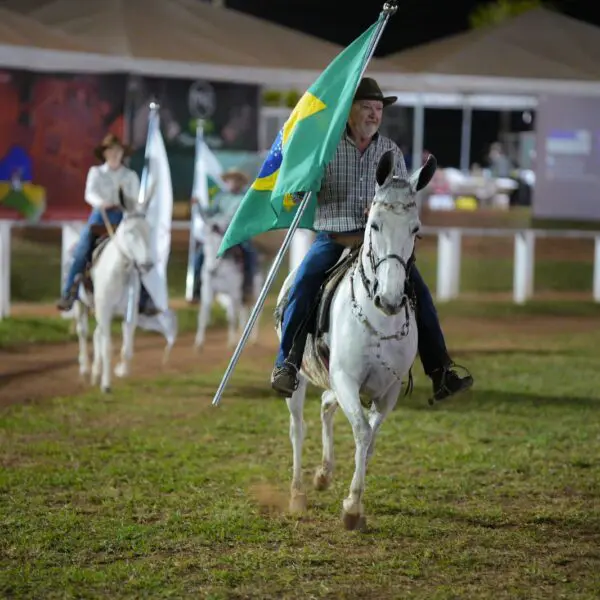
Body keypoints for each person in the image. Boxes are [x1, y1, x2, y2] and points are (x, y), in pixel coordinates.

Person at [271, 77, 473, 403]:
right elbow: (298, 186)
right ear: (349, 111)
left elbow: (403, 198)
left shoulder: (390, 151)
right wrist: (298, 186)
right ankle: (288, 364)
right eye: (366, 107)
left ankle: (441, 372)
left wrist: (384, 211)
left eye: (378, 108)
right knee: (305, 283)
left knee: (420, 294)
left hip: (379, 245)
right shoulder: (327, 148)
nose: (374, 114)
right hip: (335, 238)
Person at [56, 133, 157, 315]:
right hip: (100, 217)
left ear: (122, 153)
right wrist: (102, 202)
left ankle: (144, 299)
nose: (114, 154)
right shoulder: (96, 172)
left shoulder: (130, 176)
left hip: (124, 218)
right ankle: (69, 292)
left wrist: (128, 203)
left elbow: (134, 200)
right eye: (111, 151)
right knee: (82, 249)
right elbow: (90, 194)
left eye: (117, 151)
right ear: (105, 153)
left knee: (139, 251)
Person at [192, 168, 258, 304]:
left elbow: (241, 217)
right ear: (227, 181)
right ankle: (197, 289)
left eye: (236, 180)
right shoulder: (220, 197)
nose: (233, 182)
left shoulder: (245, 198)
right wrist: (198, 206)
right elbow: (209, 213)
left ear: (241, 182)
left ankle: (247, 288)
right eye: (230, 179)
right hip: (217, 233)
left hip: (236, 235)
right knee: (199, 255)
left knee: (249, 254)